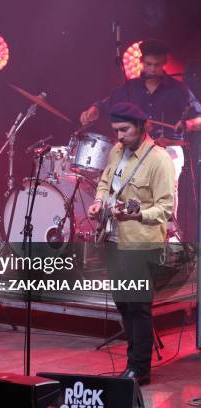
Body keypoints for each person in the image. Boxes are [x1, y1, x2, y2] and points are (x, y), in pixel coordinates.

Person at [88, 102, 175, 385]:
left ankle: (140, 369)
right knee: (123, 303)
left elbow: (166, 208)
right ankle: (133, 362)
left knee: (138, 306)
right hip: (113, 237)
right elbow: (104, 182)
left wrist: (139, 213)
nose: (120, 136)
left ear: (141, 126)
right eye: (115, 131)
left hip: (141, 242)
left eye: (124, 130)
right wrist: (99, 201)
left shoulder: (159, 159)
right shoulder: (116, 150)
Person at [80, 39, 201, 229]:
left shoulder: (179, 90)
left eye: (157, 65)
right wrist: (92, 111)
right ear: (142, 62)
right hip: (138, 149)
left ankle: (168, 233)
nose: (152, 69)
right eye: (149, 64)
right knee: (121, 183)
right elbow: (103, 105)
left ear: (164, 63)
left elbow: (199, 118)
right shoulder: (129, 89)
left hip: (169, 149)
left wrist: (188, 123)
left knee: (165, 187)